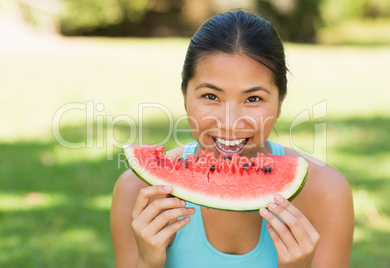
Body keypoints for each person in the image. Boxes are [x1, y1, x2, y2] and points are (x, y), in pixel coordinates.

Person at [110, 10, 354, 268]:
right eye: (211, 96)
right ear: (184, 94)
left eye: (253, 99)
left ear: (280, 101)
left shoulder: (326, 192)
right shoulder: (137, 191)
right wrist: (147, 262)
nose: (230, 122)